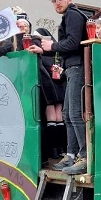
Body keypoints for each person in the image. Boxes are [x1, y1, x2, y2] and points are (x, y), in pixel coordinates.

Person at [30, 0, 88, 175]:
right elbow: (68, 47)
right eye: (53, 1)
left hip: (78, 67)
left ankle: (85, 157)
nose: (57, 3)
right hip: (72, 67)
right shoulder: (69, 16)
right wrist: (45, 50)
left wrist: (51, 45)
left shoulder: (73, 14)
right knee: (67, 113)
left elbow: (73, 43)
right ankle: (71, 154)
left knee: (74, 113)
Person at [33, 27, 66, 159]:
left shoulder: (40, 55)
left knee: (51, 116)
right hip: (60, 86)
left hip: (48, 87)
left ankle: (53, 150)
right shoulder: (57, 55)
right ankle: (62, 148)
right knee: (60, 117)